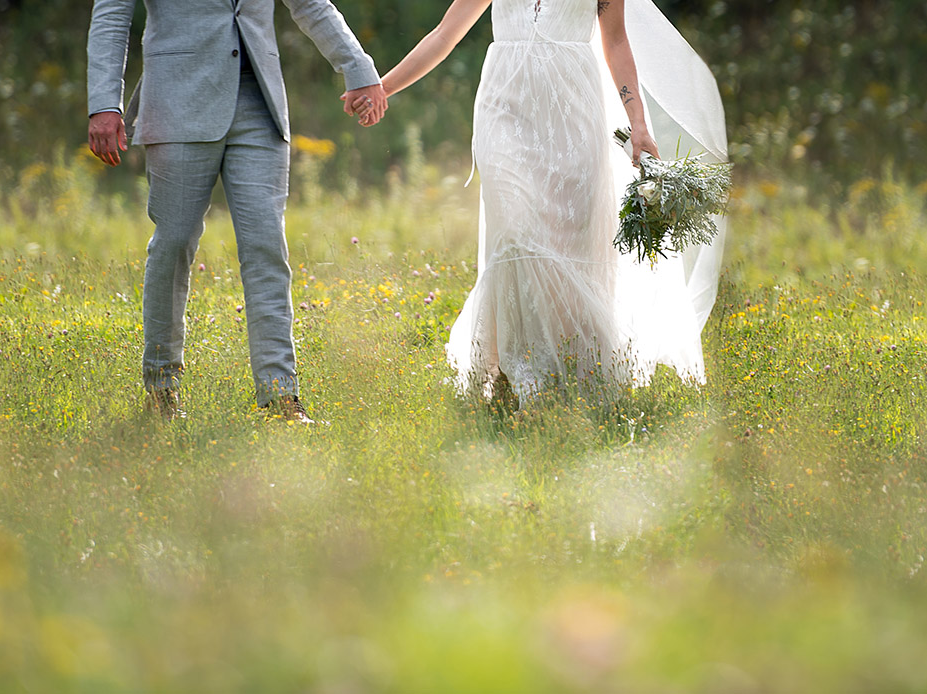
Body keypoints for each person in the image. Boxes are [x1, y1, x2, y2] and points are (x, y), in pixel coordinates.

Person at [351, 0, 728, 408]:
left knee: (570, 245)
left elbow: (616, 41)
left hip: (574, 112)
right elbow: (445, 34)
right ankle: (517, 371)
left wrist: (637, 122)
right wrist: (382, 87)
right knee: (514, 235)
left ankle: (570, 370)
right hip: (504, 108)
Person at [87, 0, 387, 422]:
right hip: (177, 101)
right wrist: (104, 102)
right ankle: (162, 392)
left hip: (259, 105)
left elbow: (310, 3)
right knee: (173, 246)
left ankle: (281, 397)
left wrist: (357, 68)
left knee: (266, 245)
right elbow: (112, 13)